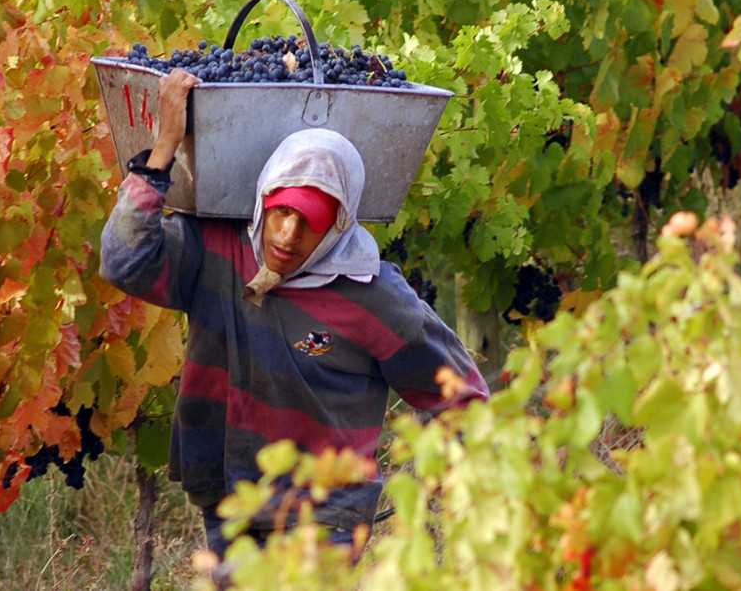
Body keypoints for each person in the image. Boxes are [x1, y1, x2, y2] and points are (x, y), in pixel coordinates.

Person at [100, 68, 489, 564]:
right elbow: (122, 262)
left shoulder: (372, 293)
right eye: (282, 211)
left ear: (339, 224)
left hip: (326, 514)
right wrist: (163, 150)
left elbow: (457, 391)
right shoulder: (217, 252)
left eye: (310, 221)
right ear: (263, 199)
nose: (286, 235)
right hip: (229, 494)